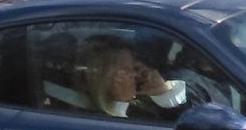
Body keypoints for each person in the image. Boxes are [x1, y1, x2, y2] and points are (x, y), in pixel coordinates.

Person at [62, 36, 191, 119]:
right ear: (105, 77)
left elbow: (185, 127)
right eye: (128, 69)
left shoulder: (140, 109)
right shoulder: (93, 121)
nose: (137, 75)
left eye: (135, 68)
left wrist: (162, 91)